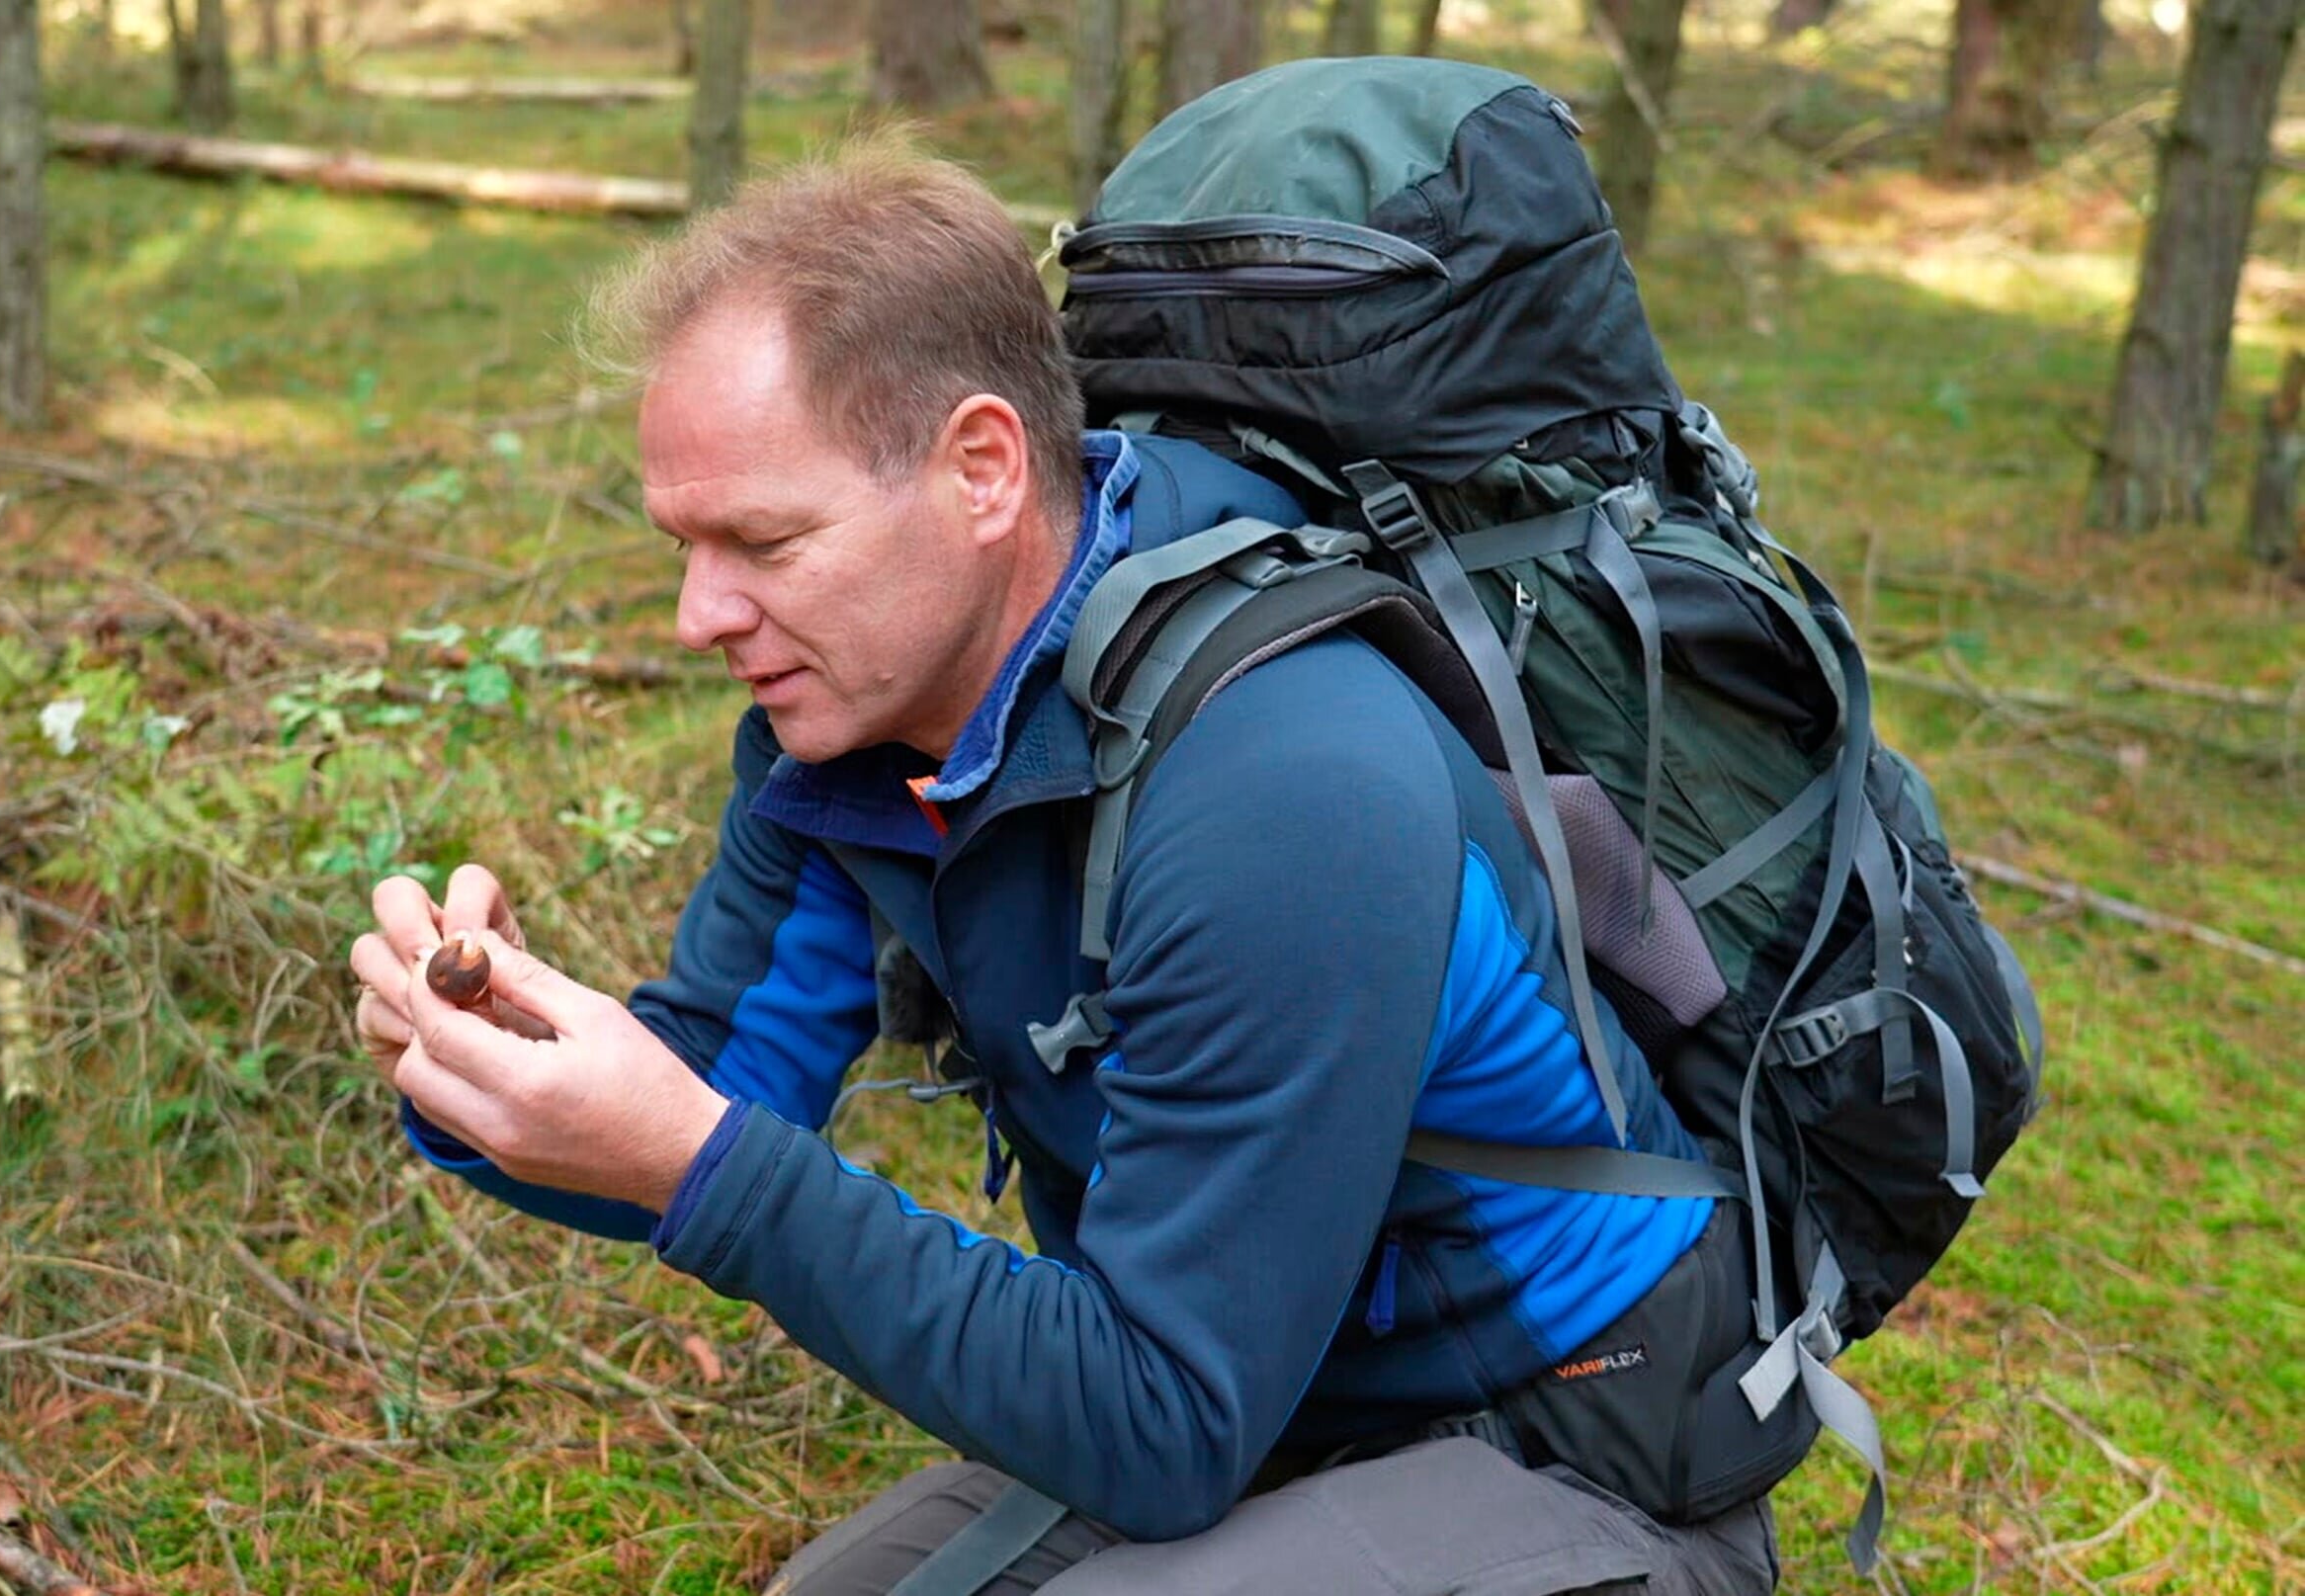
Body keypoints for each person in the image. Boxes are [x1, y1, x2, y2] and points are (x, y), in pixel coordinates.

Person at [349, 141, 1781, 1595]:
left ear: (982, 468)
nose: (696, 613)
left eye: (763, 542)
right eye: (682, 544)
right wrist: (490, 1059)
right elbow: (717, 1083)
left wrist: (702, 1166)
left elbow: (1160, 1424)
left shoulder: (1281, 782)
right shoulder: (853, 726)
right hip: (1280, 1406)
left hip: (1584, 1444)